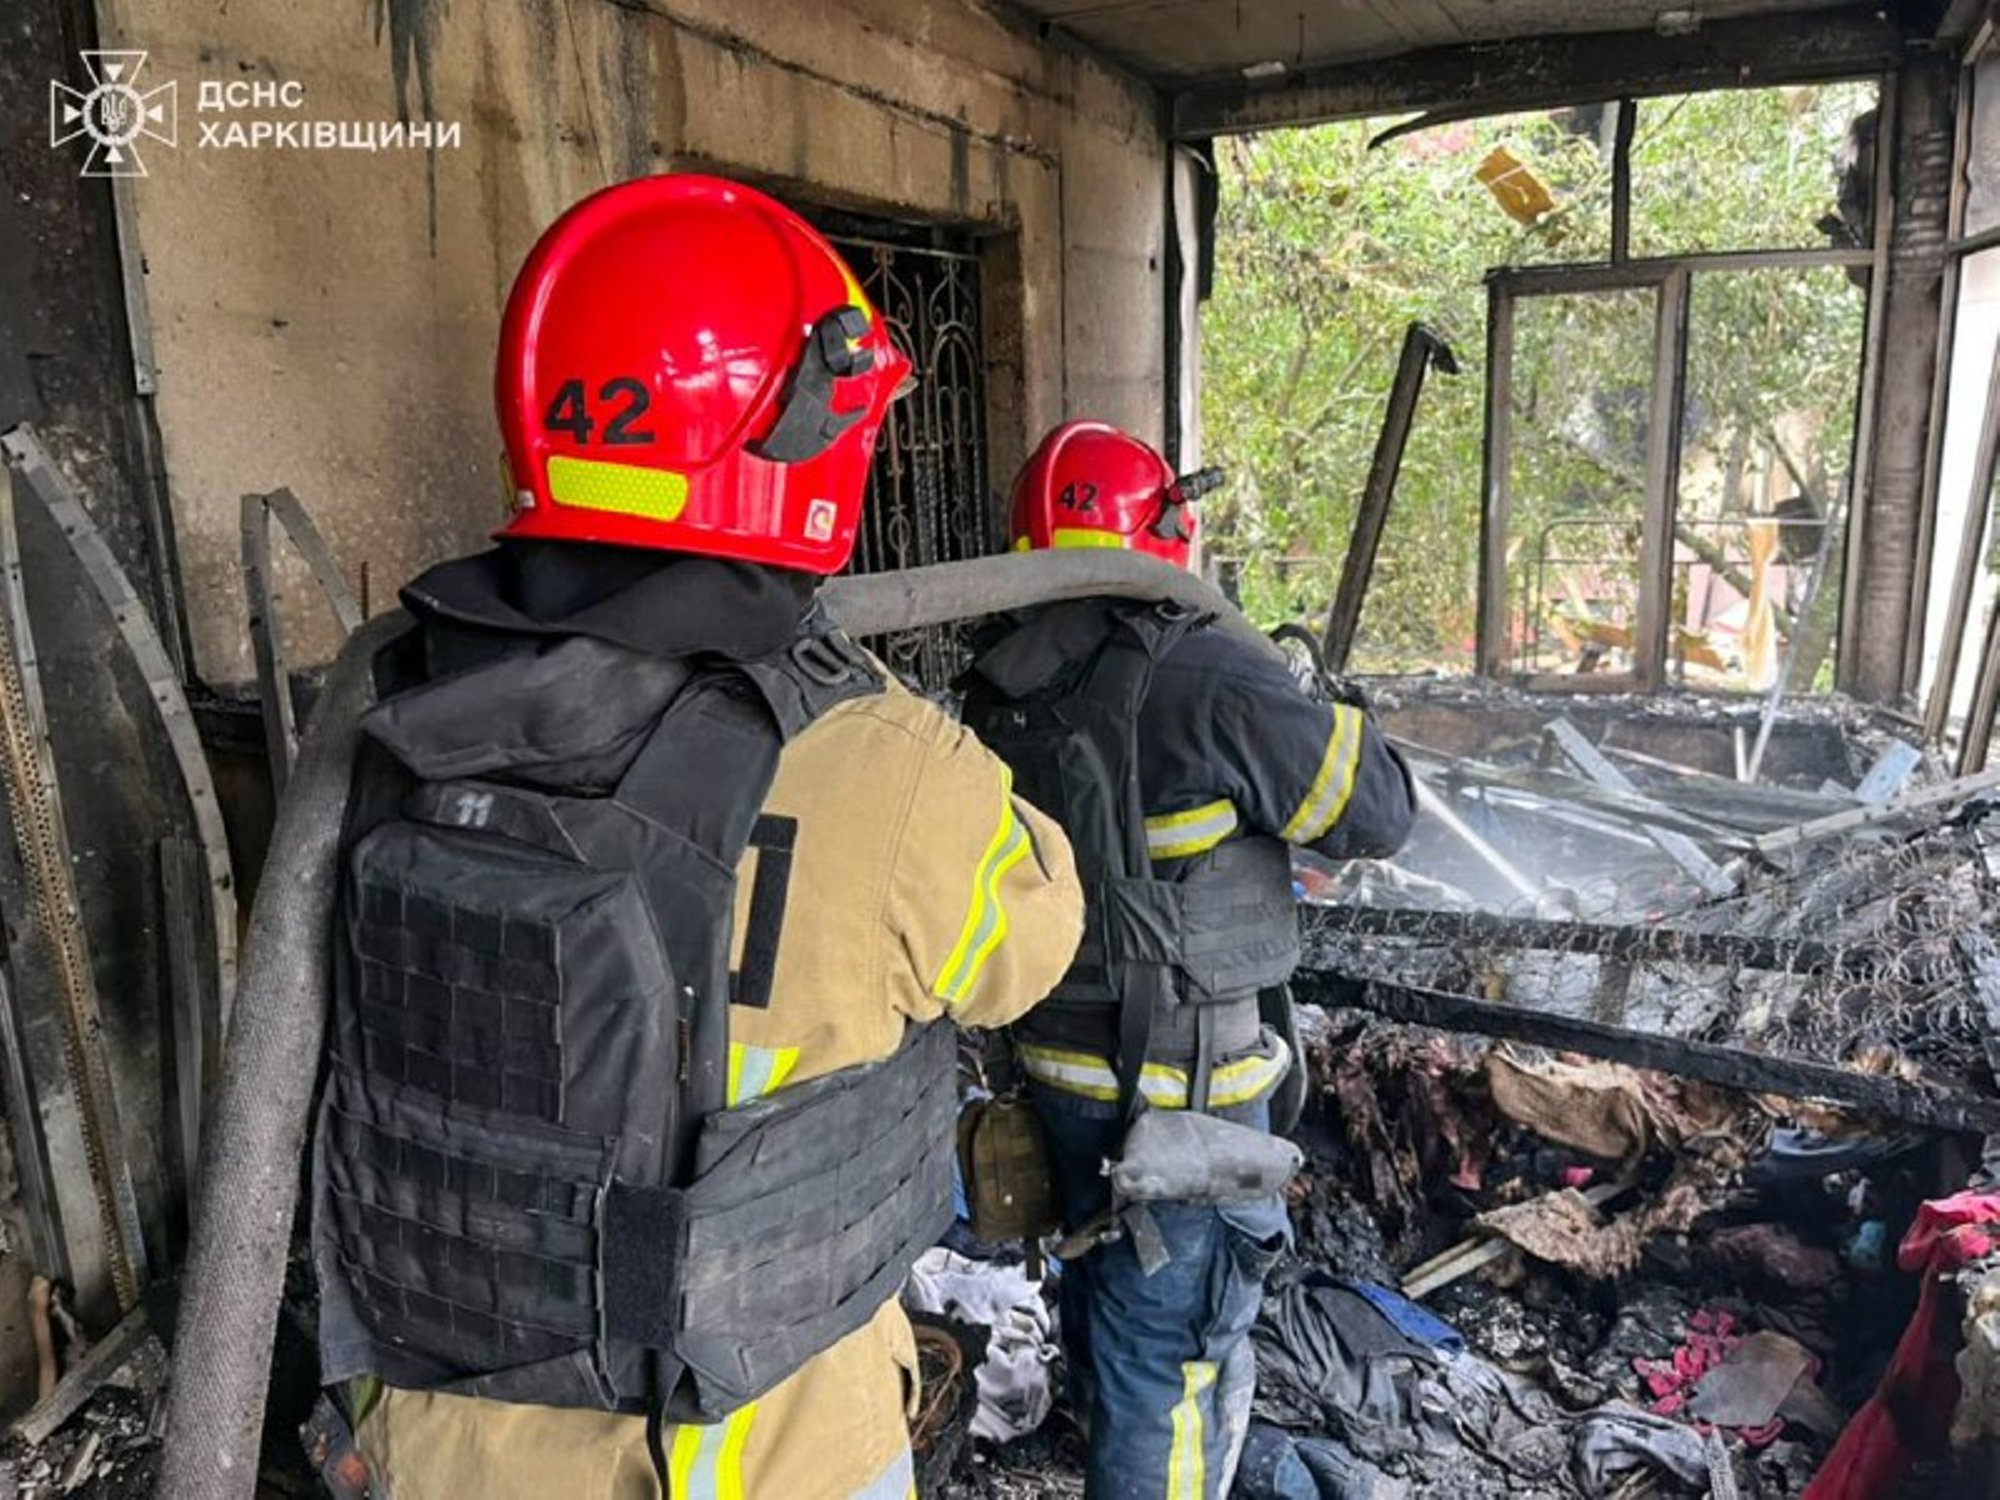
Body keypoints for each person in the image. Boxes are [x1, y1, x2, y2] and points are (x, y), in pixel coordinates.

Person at [307, 174, 1085, 1499]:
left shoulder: (390, 708)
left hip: (439, 1446)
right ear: (794, 440)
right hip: (761, 1458)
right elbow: (1031, 948)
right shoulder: (882, 763)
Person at [960, 421, 1418, 1499]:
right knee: (1172, 1356)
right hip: (1186, 1102)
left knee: (1110, 1321)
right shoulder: (1211, 672)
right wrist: (1314, 697)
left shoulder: (1000, 681)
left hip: (1051, 1077)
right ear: (1170, 531)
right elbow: (1378, 810)